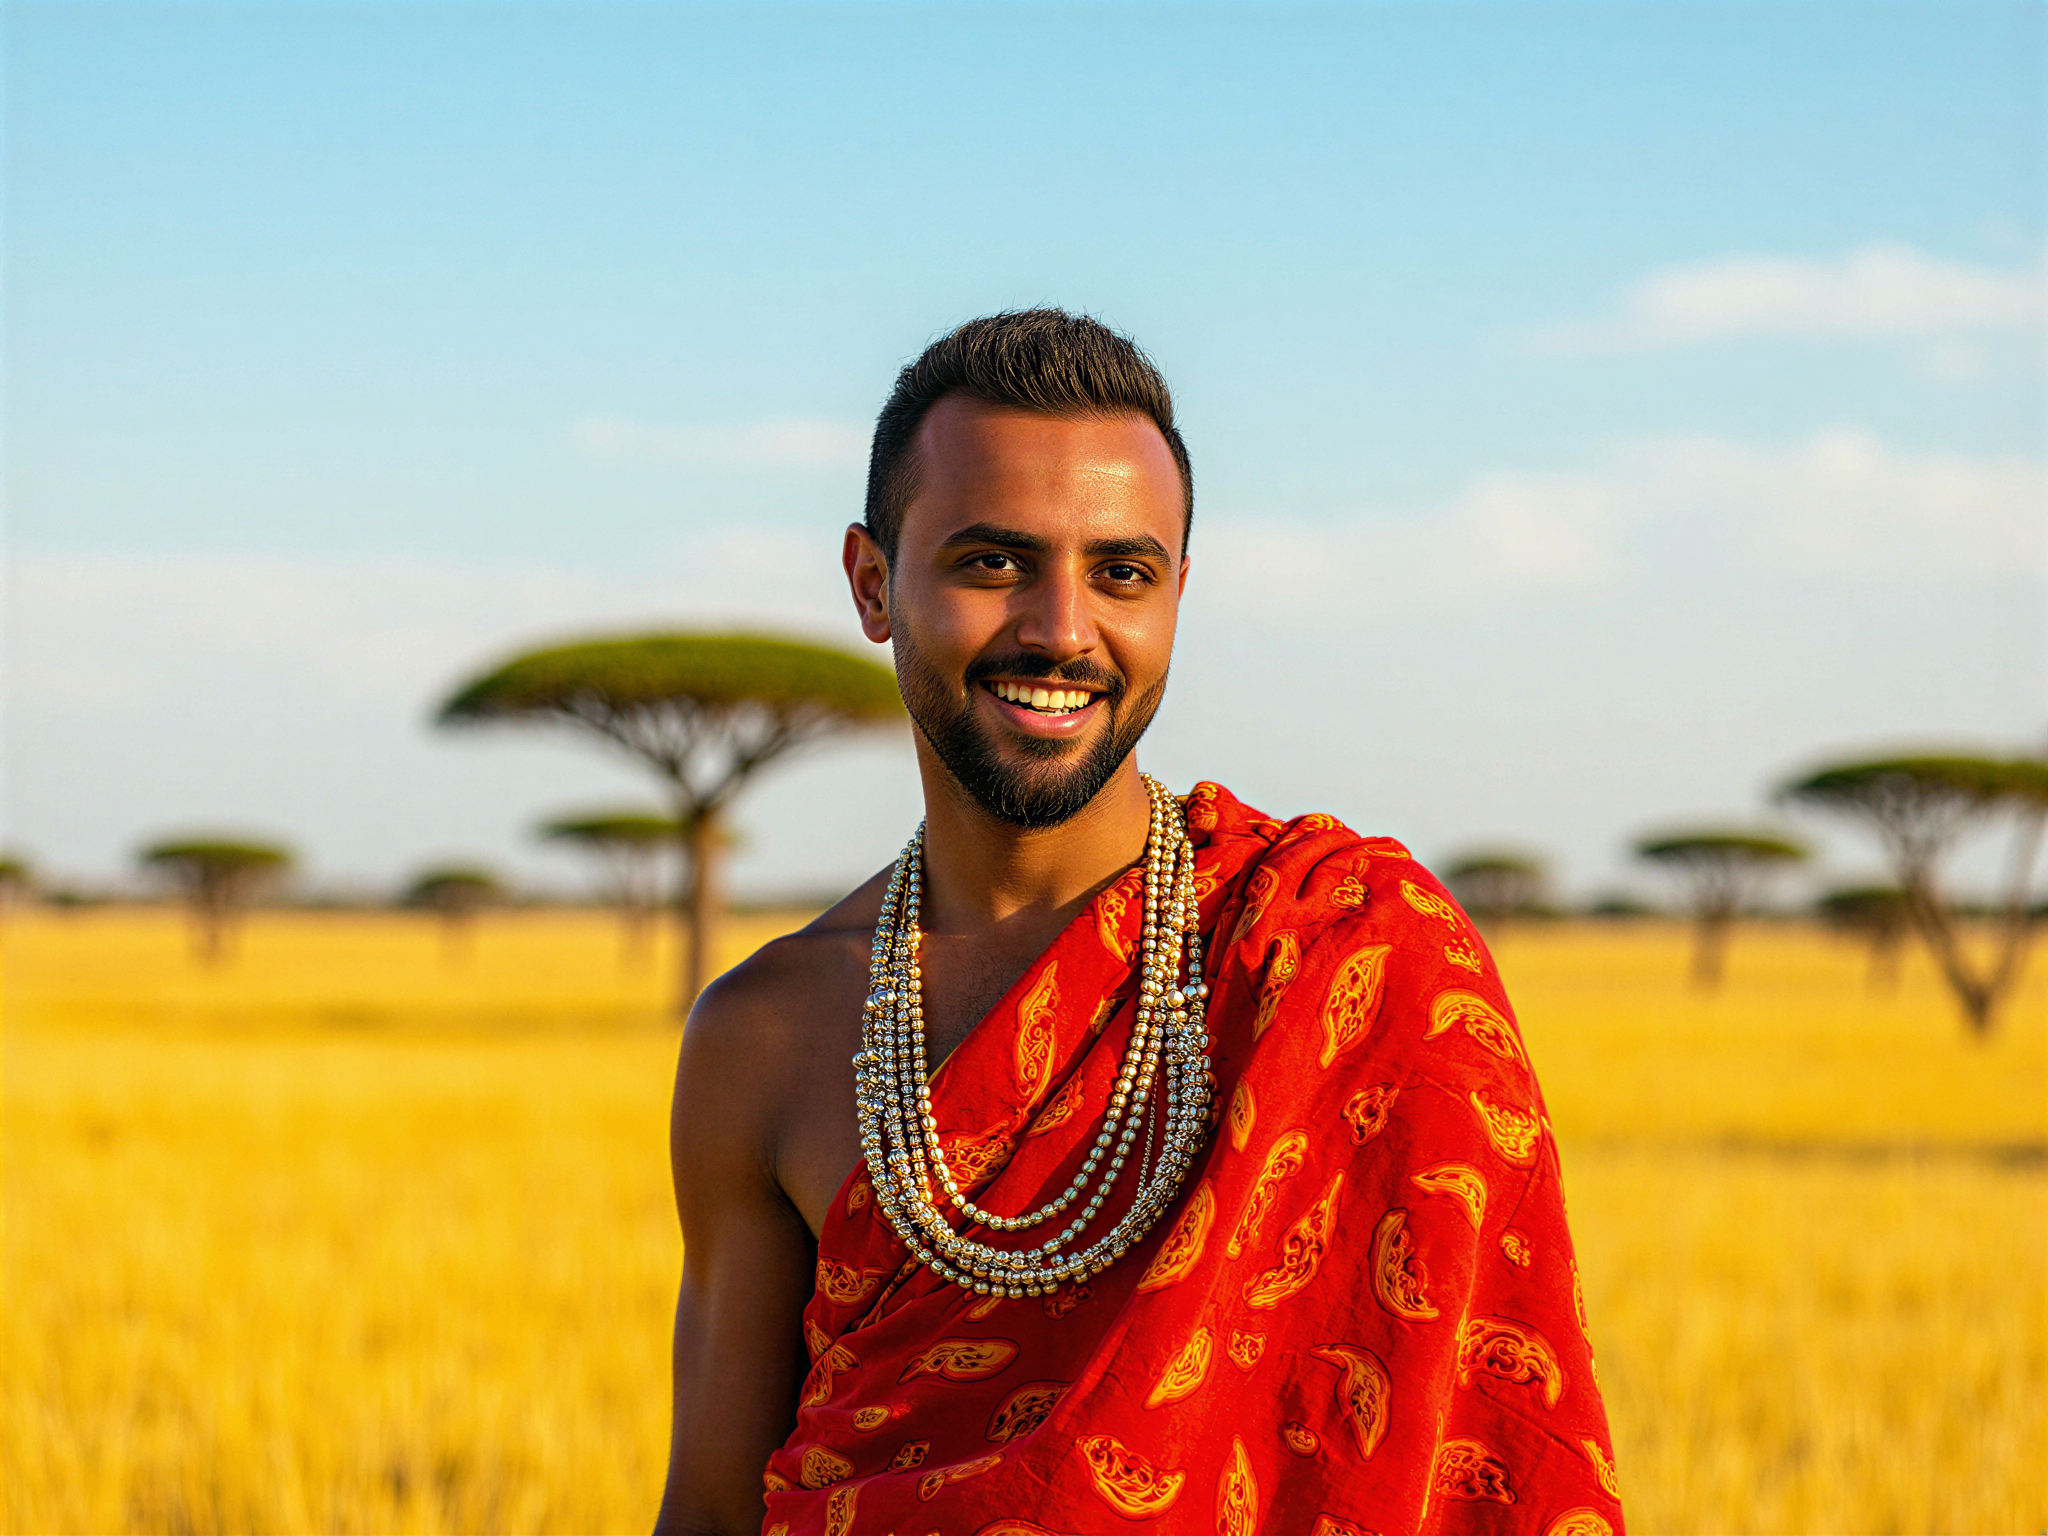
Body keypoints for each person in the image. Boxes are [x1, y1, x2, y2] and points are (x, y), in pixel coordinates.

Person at [653, 311, 1621, 1536]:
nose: (1062, 630)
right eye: (991, 563)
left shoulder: (1351, 954)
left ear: (1174, 594)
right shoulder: (766, 1035)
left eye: (1121, 573)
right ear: (870, 584)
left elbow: (1477, 1458)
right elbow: (708, 1510)